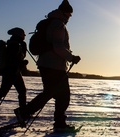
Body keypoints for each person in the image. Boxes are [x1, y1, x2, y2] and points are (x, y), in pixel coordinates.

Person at [14, 0, 81, 132]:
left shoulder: (51, 22)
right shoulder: (58, 24)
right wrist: (71, 57)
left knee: (51, 93)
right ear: (64, 12)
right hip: (54, 66)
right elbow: (58, 47)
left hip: (46, 64)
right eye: (69, 14)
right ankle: (56, 122)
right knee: (62, 95)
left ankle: (29, 113)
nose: (69, 17)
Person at [0, 27, 28, 118]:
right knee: (12, 91)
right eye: (23, 34)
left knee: (9, 91)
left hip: (12, 71)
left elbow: (19, 57)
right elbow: (13, 60)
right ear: (19, 35)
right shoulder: (14, 45)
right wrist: (22, 63)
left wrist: (23, 48)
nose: (24, 36)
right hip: (12, 72)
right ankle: (22, 112)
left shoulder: (15, 43)